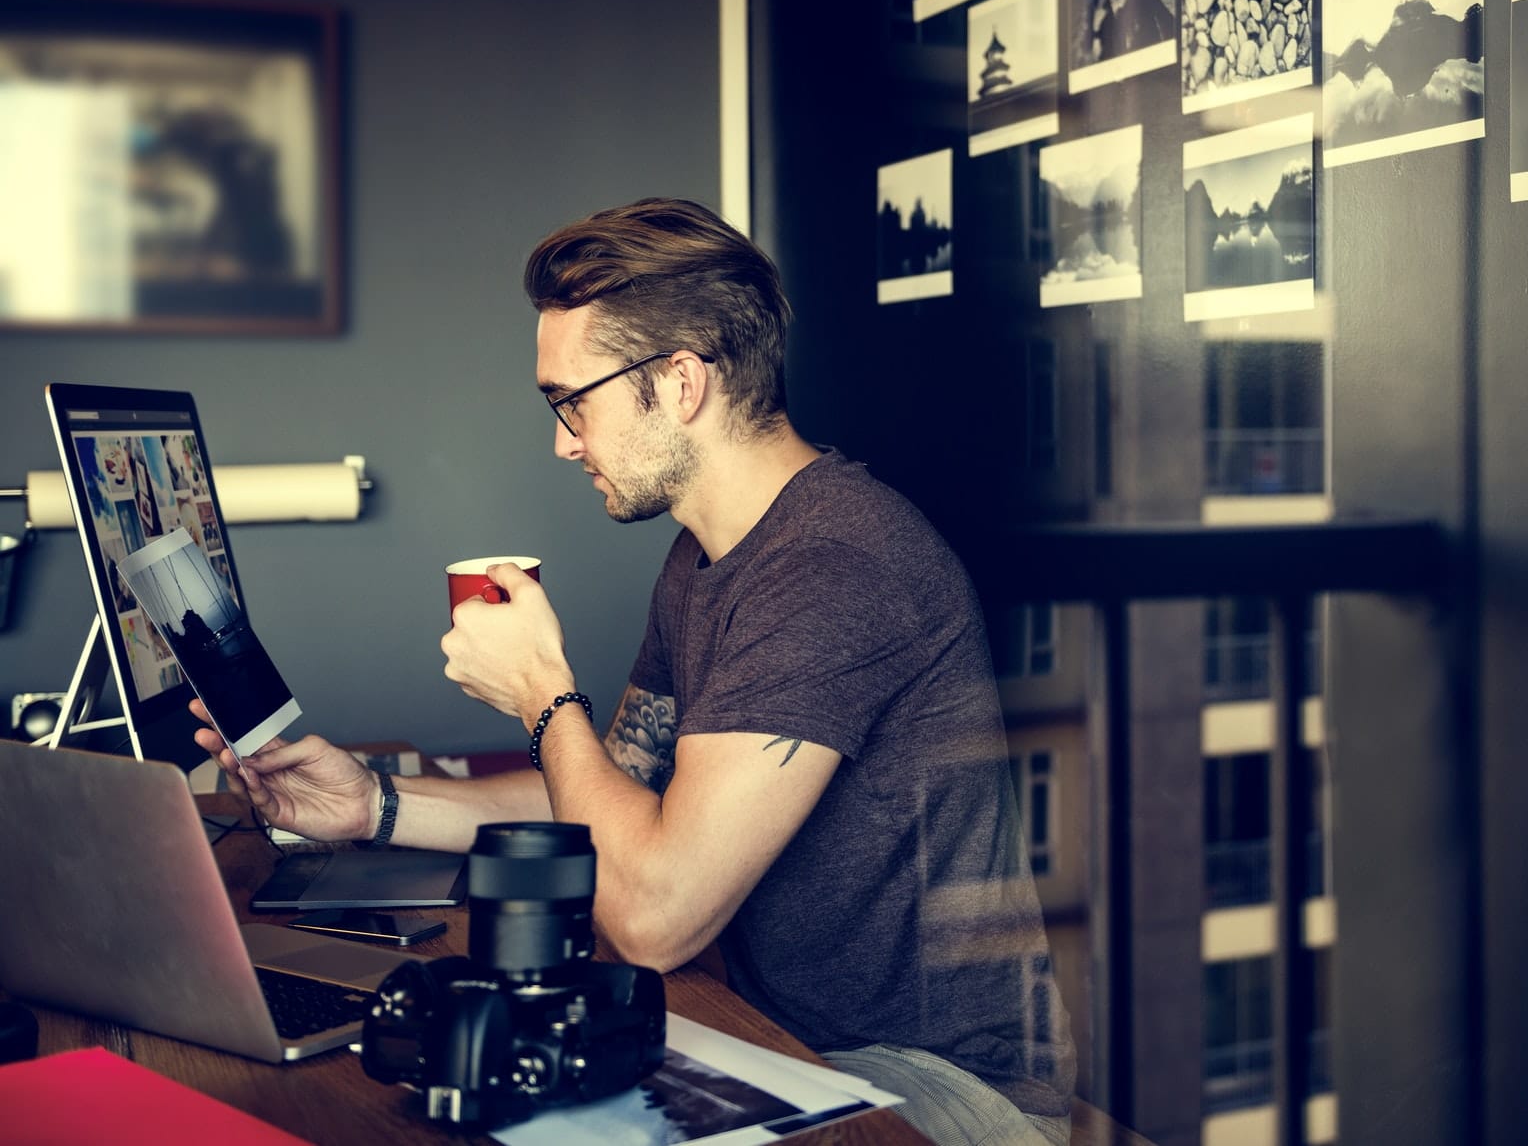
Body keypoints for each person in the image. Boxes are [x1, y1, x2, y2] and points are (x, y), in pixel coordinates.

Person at [192, 198, 1075, 1143]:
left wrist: (543, 692)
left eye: (573, 400)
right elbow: (606, 803)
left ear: (681, 381)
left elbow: (655, 913)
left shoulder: (836, 569)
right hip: (789, 1040)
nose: (564, 440)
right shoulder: (705, 556)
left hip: (944, 1086)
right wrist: (371, 802)